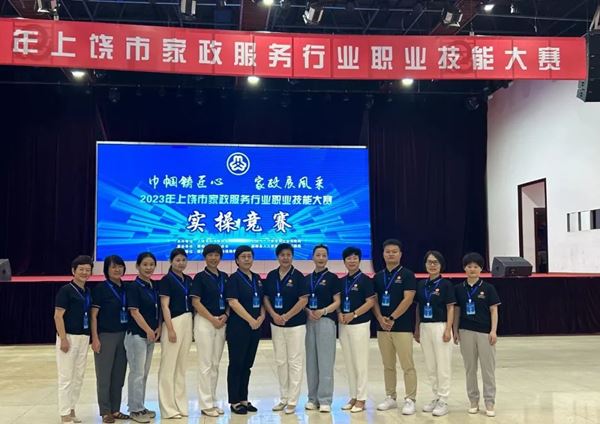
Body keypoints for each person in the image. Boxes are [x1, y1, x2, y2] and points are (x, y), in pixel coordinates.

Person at [372, 239, 418, 415]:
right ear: (383, 254)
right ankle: (390, 396)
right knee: (388, 364)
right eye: (388, 251)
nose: (391, 254)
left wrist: (392, 318)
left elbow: (408, 299)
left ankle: (410, 399)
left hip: (402, 326)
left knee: (407, 365)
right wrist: (380, 318)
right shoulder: (378, 276)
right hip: (383, 327)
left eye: (394, 251)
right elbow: (374, 300)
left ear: (400, 254)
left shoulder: (407, 275)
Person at [453, 252, 501, 417]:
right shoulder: (459, 289)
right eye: (469, 266)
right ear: (464, 268)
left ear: (481, 269)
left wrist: (493, 330)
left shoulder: (488, 288)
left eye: (476, 266)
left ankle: (489, 402)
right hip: (465, 331)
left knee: (488, 369)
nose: (472, 269)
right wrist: (455, 330)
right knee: (470, 368)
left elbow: (494, 310)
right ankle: (473, 401)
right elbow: (457, 311)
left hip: (485, 333)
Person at [264, 243, 309, 415]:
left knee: (295, 361)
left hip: (295, 325)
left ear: (292, 257)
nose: (285, 258)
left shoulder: (298, 276)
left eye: (288, 255)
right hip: (276, 324)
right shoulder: (271, 275)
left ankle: (292, 400)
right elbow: (266, 298)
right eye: (282, 255)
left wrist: (287, 316)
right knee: (281, 361)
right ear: (277, 257)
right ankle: (283, 397)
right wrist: (274, 315)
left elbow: (303, 300)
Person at [414, 250, 456, 417]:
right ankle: (436, 396)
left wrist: (448, 329)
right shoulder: (421, 284)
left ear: (441, 265)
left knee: (442, 365)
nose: (432, 265)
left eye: (435, 262)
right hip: (425, 326)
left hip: (441, 326)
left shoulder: (446, 284)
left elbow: (450, 308)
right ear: (425, 264)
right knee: (431, 365)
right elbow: (419, 306)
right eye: (429, 262)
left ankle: (444, 399)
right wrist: (417, 328)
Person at [225, 245, 266, 415]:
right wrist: (251, 320)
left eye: (249, 256)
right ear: (237, 260)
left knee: (247, 364)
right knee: (236, 363)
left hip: (255, 326)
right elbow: (233, 303)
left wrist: (261, 317)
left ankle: (243, 398)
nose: (247, 259)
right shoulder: (233, 279)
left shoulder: (257, 278)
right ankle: (234, 401)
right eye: (243, 257)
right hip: (239, 327)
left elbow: (262, 301)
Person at [54, 255, 94, 423]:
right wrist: (63, 339)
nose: (84, 272)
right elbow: (58, 316)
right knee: (66, 377)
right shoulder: (66, 290)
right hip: (69, 337)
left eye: (88, 270)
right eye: (81, 269)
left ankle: (71, 409)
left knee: (78, 377)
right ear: (73, 271)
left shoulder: (87, 291)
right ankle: (64, 414)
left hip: (84, 337)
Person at [191, 244, 229, 417]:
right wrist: (212, 319)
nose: (213, 258)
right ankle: (205, 404)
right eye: (210, 255)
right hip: (205, 322)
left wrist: (225, 316)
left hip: (221, 322)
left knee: (215, 363)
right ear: (205, 257)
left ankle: (213, 400)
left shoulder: (225, 277)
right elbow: (196, 302)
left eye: (216, 255)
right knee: (205, 364)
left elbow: (230, 301)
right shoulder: (200, 277)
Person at [91, 255, 129, 423]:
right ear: (106, 269)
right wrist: (95, 338)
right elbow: (93, 316)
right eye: (113, 267)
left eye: (120, 266)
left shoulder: (126, 288)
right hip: (106, 336)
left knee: (119, 376)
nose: (117, 269)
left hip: (124, 335)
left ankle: (115, 409)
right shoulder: (101, 289)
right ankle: (105, 411)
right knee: (104, 376)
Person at [338, 246, 376, 413]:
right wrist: (340, 314)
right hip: (344, 325)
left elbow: (370, 302)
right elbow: (338, 302)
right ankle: (353, 396)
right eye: (349, 258)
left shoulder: (365, 280)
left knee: (360, 363)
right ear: (344, 261)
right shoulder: (342, 281)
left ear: (359, 260)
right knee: (349, 362)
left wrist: (353, 314)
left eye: (355, 258)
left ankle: (361, 398)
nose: (352, 261)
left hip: (359, 324)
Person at [124, 252, 161, 423]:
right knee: (137, 373)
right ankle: (134, 409)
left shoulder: (153, 285)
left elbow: (157, 310)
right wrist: (148, 330)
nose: (148, 268)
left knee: (144, 373)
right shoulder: (134, 286)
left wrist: (158, 328)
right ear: (137, 266)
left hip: (150, 335)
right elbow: (134, 311)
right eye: (145, 264)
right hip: (137, 335)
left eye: (151, 264)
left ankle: (140, 405)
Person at [304, 244, 341, 414]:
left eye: (324, 255)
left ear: (327, 258)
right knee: (311, 362)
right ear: (312, 257)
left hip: (326, 321)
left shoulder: (333, 278)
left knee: (325, 361)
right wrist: (308, 311)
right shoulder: (307, 279)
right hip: (309, 321)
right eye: (318, 255)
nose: (320, 258)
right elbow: (302, 301)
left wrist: (323, 311)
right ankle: (312, 398)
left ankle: (325, 399)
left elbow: (337, 302)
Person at [158, 248, 193, 419]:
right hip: (174, 322)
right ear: (171, 261)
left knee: (181, 367)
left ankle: (180, 404)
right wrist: (170, 329)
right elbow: (165, 306)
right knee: (168, 366)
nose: (181, 263)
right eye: (178, 260)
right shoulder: (166, 280)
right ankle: (168, 408)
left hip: (187, 320)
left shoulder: (188, 280)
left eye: (183, 260)